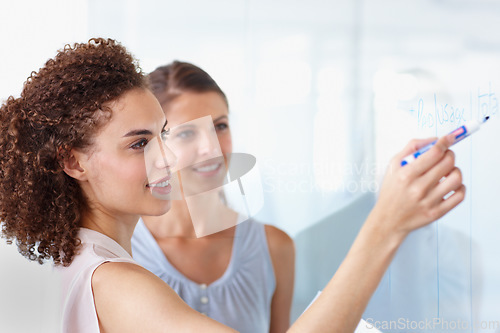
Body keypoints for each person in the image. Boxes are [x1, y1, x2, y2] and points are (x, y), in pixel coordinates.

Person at [0, 38, 465, 333]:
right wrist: (386, 226)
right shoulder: (117, 282)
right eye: (139, 143)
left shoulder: (76, 259)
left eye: (162, 134)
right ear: (73, 161)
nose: (168, 158)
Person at [131, 61, 294, 333]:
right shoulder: (120, 252)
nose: (212, 148)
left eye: (219, 126)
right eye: (186, 133)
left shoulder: (276, 247)